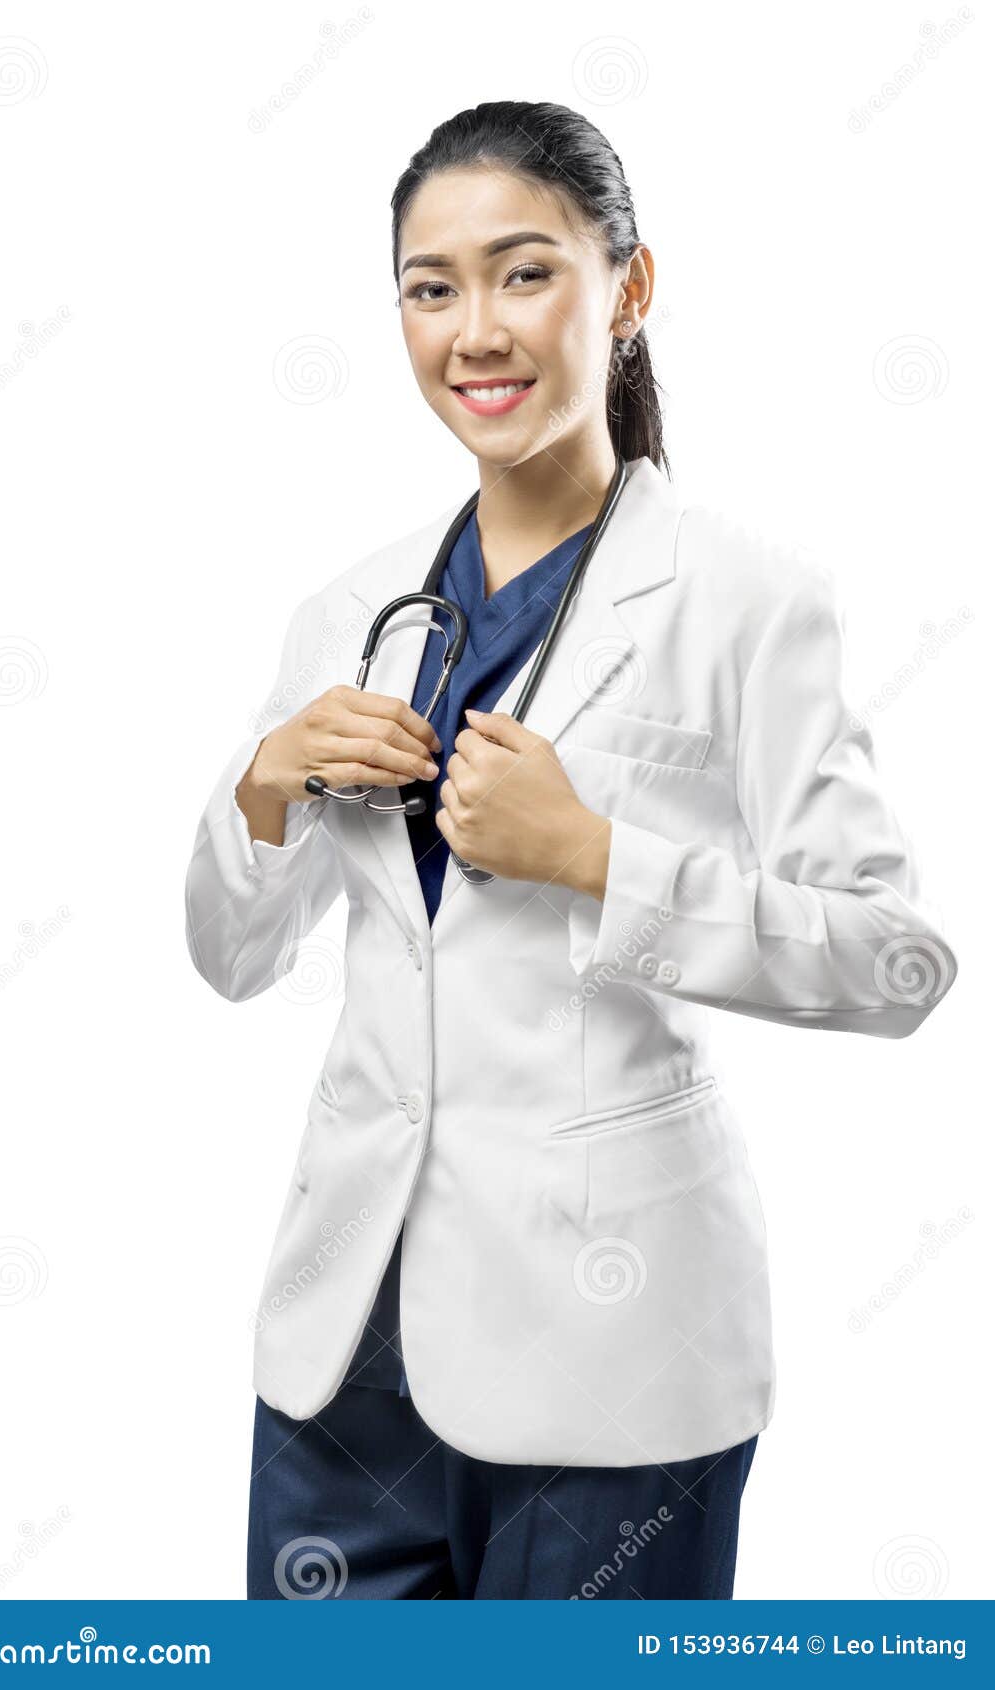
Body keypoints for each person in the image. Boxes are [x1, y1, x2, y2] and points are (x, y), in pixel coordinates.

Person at [183, 101, 957, 1600]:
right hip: (345, 1357)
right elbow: (230, 956)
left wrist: (600, 857)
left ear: (631, 290)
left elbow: (897, 958)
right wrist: (264, 780)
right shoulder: (348, 610)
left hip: (613, 1372)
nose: (476, 329)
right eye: (431, 286)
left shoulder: (746, 601)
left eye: (524, 273)